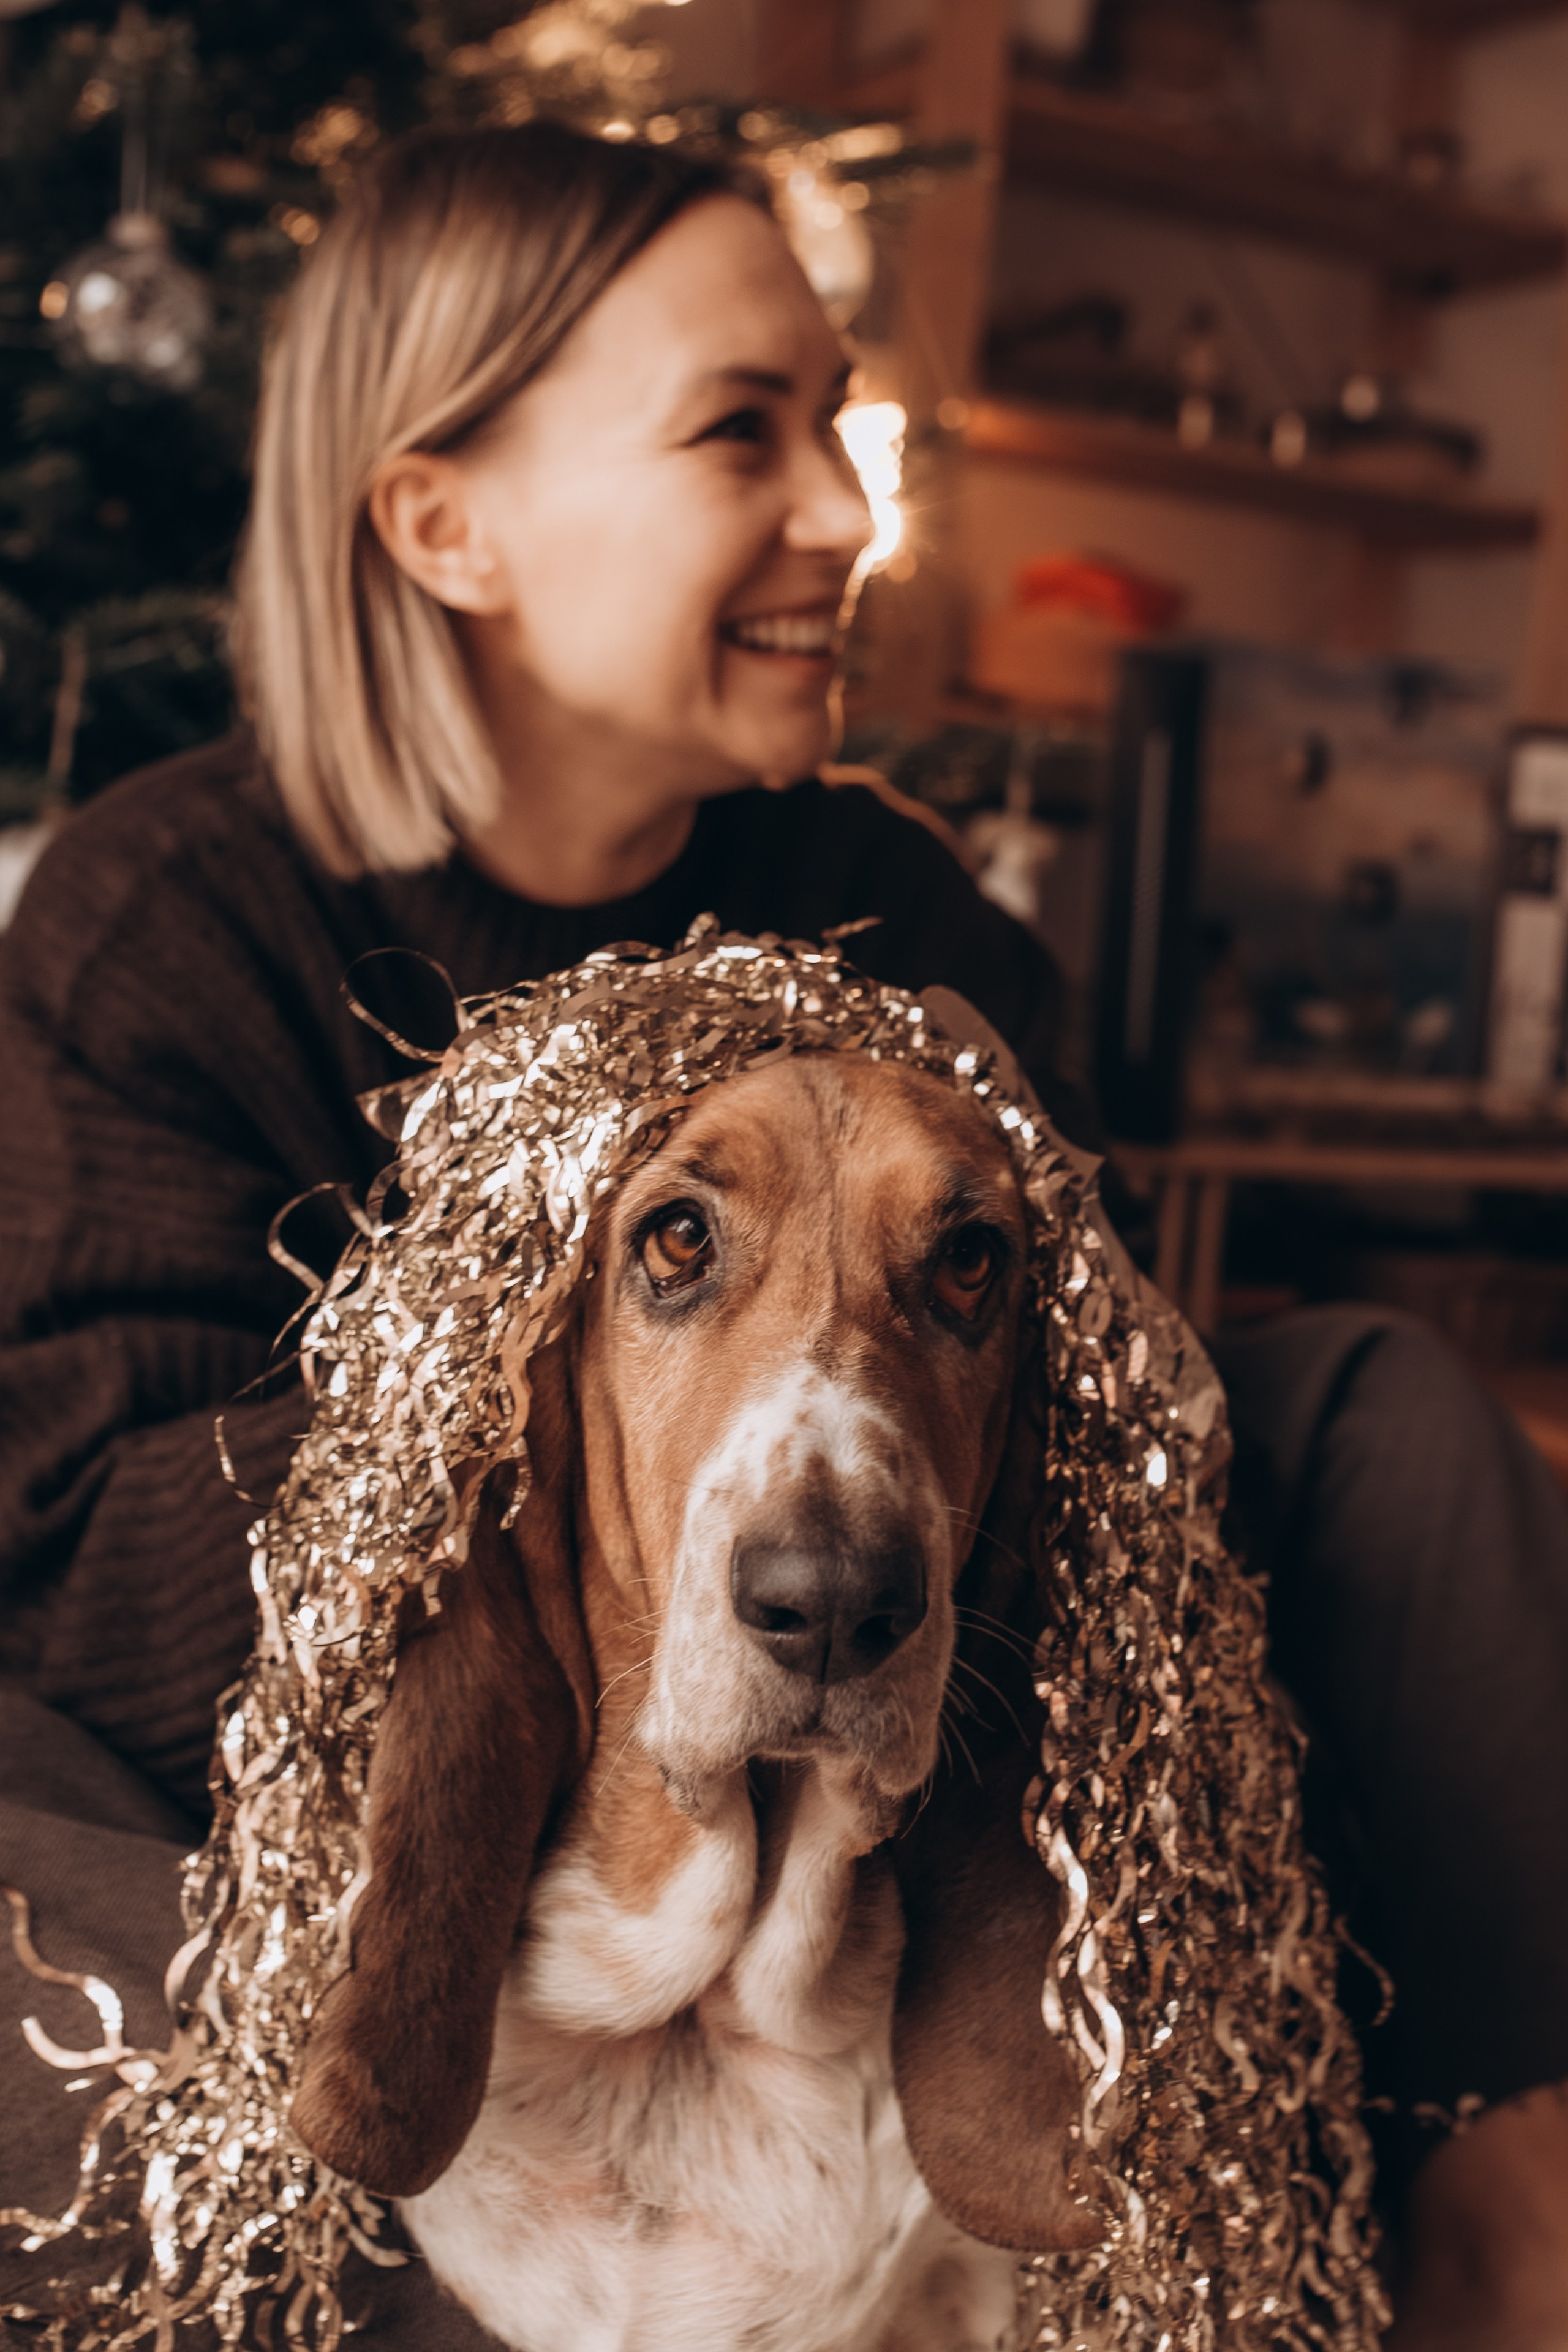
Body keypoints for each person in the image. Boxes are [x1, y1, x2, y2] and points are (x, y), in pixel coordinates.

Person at [2, 119, 1567, 2351]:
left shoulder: (903, 922)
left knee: (1380, 1412)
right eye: (746, 432)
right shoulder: (167, 922)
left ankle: (1515, 2218)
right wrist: (563, 1495)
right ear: (447, 521)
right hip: (357, 1781)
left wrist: (990, 1283)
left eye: (836, 425)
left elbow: (1068, 1417)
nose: (849, 513)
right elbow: (74, 1540)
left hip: (902, 1697)